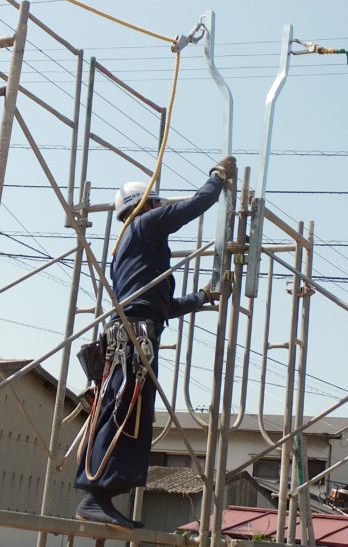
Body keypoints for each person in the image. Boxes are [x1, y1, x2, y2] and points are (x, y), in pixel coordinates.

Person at [74, 156, 236, 529]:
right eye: (157, 202)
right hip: (131, 338)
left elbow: (156, 305)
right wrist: (216, 179)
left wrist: (200, 298)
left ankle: (100, 495)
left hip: (136, 333)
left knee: (128, 413)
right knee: (121, 412)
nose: (162, 207)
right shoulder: (144, 224)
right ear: (144, 204)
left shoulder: (132, 246)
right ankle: (94, 496)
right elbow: (194, 205)